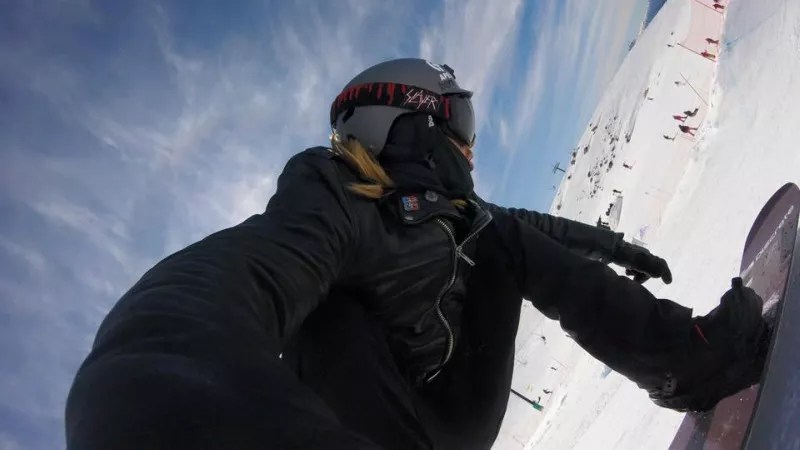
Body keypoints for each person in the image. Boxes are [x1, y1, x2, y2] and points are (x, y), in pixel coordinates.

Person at [65, 58, 770, 450]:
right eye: (459, 119)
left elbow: (537, 230)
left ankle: (692, 361)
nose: (470, 145)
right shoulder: (332, 205)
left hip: (457, 413)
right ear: (408, 122)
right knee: (329, 315)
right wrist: (155, 370)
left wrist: (619, 248)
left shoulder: (458, 216)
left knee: (500, 238)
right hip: (374, 429)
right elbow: (213, 292)